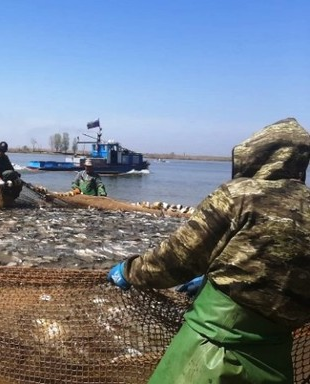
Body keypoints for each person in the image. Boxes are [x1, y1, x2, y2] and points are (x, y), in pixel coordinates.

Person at [107, 118, 310, 383]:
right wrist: (226, 276)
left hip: (213, 353)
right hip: (275, 361)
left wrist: (130, 270)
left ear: (256, 154)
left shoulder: (240, 196)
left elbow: (175, 260)